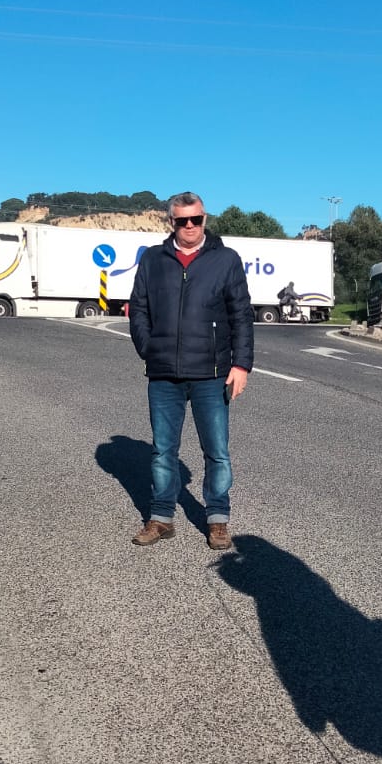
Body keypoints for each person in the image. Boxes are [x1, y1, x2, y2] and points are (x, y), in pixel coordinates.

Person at [128, 192, 253, 551]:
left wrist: (241, 364)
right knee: (163, 451)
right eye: (181, 220)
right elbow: (139, 308)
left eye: (194, 219)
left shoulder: (225, 260)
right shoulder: (153, 259)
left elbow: (241, 315)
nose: (188, 226)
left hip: (212, 373)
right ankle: (161, 517)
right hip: (163, 373)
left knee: (217, 451)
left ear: (204, 219)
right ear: (171, 222)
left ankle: (217, 520)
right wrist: (147, 347)